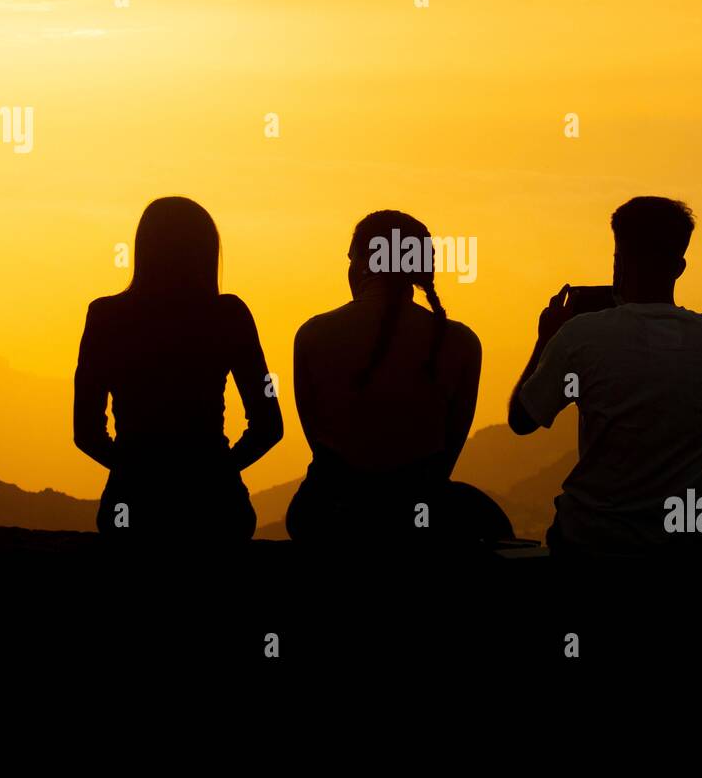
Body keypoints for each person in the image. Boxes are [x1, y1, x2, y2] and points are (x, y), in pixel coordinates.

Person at [508, 197, 702, 556]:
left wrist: (546, 339)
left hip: (594, 540)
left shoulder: (581, 335)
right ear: (679, 267)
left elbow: (523, 420)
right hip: (690, 541)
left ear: (618, 263)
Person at [285, 210, 512, 547]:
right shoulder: (463, 343)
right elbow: (447, 453)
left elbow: (317, 438)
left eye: (351, 257)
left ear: (363, 262)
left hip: (330, 516)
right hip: (419, 516)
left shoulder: (312, 335)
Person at [73, 196, 283, 543]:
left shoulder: (105, 317)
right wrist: (217, 472)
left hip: (133, 506)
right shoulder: (229, 315)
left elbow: (86, 433)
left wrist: (134, 471)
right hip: (216, 508)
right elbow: (269, 425)